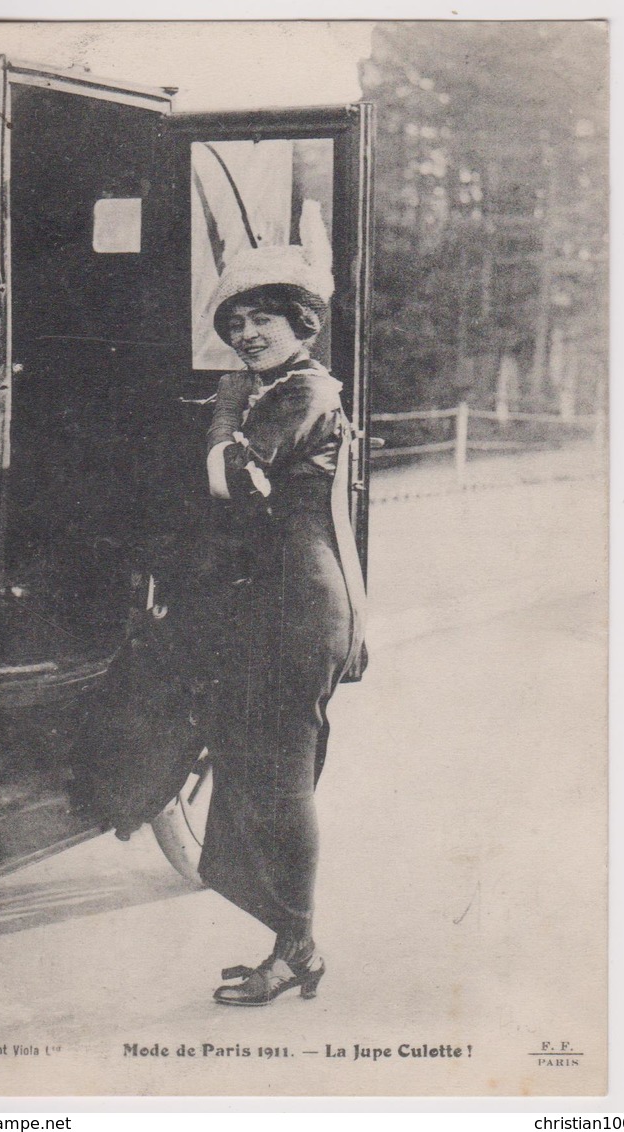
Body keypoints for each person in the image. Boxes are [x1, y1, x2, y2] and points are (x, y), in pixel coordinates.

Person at [198, 244, 367, 1006]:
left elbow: (230, 478)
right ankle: (289, 939)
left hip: (299, 604)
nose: (247, 333)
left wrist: (226, 411)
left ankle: (297, 948)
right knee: (255, 765)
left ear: (301, 322)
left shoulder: (304, 392)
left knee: (283, 778)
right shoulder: (279, 388)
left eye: (262, 317)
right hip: (274, 597)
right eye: (235, 322)